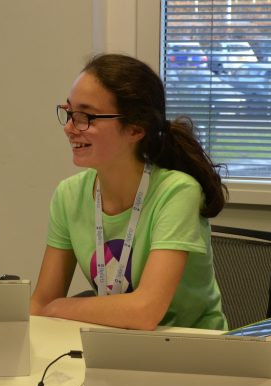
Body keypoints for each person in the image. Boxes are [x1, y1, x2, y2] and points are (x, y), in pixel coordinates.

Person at [30, 53, 228, 330]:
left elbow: (145, 312)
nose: (69, 128)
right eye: (69, 112)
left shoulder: (178, 192)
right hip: (114, 347)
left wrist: (61, 307)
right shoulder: (69, 195)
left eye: (86, 116)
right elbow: (41, 305)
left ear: (135, 130)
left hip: (190, 355)